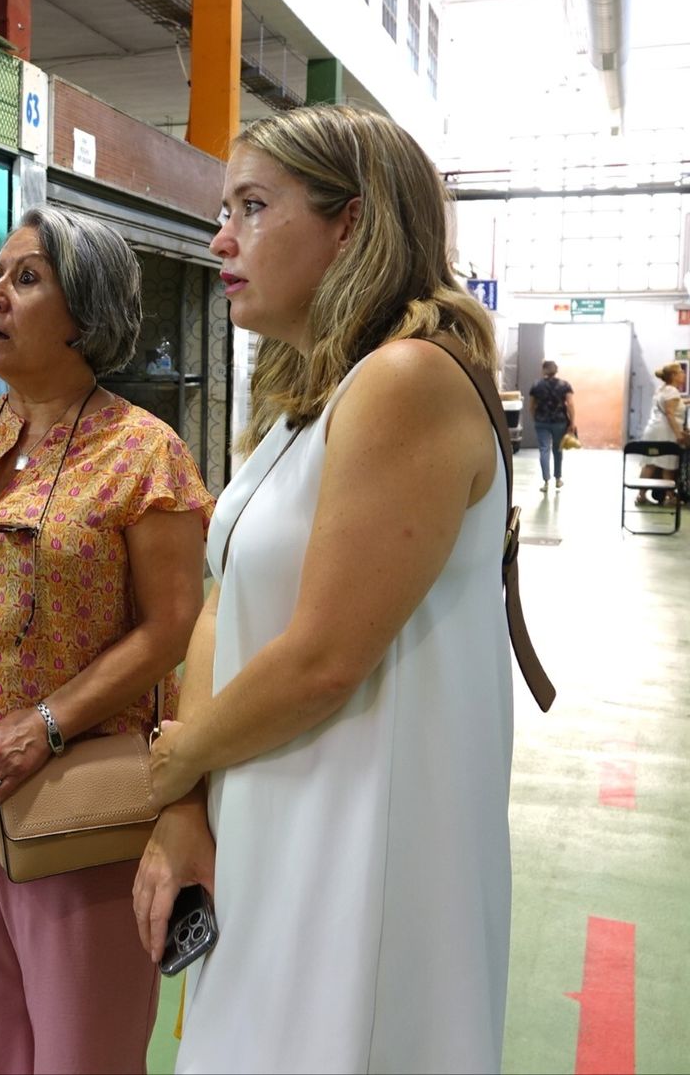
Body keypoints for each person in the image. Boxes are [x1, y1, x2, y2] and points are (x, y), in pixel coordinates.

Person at [133, 105, 516, 1073]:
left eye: (253, 207)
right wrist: (186, 801)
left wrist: (177, 760)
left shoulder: (405, 381)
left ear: (352, 224)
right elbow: (222, 602)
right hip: (268, 818)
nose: (221, 239)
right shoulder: (311, 400)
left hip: (356, 852)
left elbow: (322, 660)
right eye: (224, 210)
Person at [0, 205, 212, 1074]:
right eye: (0, 275)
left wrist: (46, 723)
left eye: (27, 278)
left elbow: (171, 624)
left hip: (78, 806)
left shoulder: (143, 454)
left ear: (84, 315)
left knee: (82, 1053)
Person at [634, 361, 687, 505]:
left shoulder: (662, 389)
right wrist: (679, 434)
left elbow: (673, 404)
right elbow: (670, 413)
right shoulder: (672, 391)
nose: (684, 374)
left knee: (650, 463)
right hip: (665, 432)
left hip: (654, 429)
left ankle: (641, 495)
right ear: (674, 375)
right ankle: (670, 497)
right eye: (681, 372)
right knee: (668, 464)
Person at [528, 359, 575, 492]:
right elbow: (570, 404)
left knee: (544, 449)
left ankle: (546, 481)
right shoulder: (565, 385)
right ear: (556, 370)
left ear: (543, 370)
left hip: (541, 421)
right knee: (558, 449)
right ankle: (558, 479)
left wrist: (535, 418)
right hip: (559, 422)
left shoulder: (536, 385)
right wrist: (572, 422)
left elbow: (531, 405)